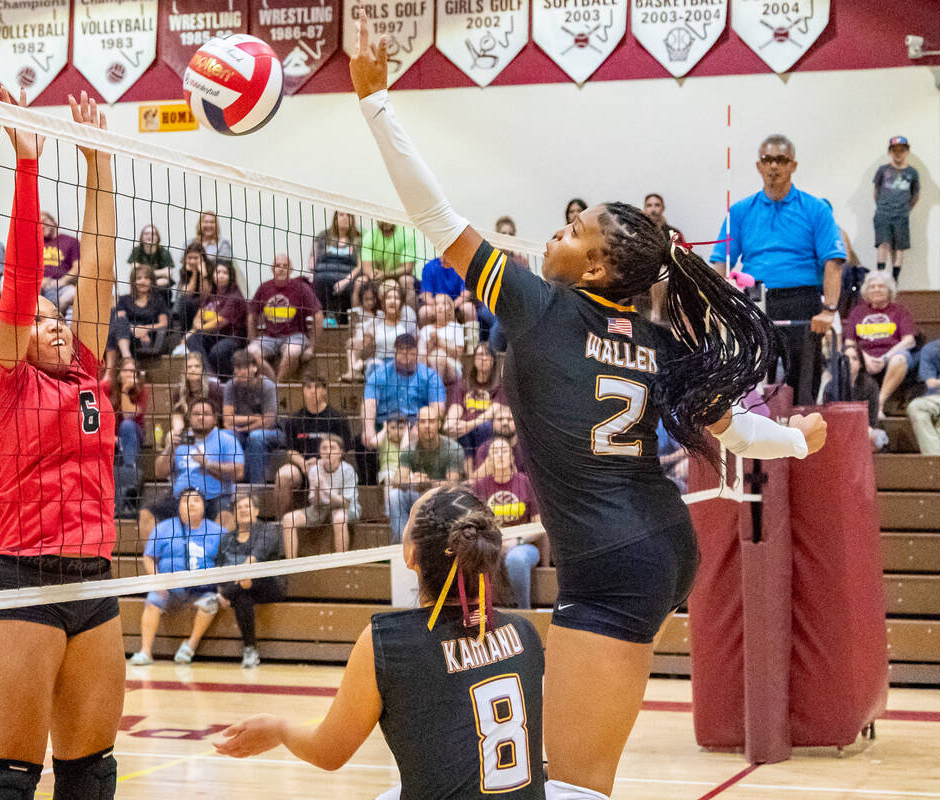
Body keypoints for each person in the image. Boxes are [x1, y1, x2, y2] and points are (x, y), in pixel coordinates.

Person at [349, 19, 827, 798]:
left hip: (612, 562)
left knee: (571, 785)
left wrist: (375, 101)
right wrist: (799, 442)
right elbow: (735, 429)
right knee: (560, 774)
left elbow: (436, 217)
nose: (559, 232)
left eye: (574, 230)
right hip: (655, 543)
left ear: (599, 265)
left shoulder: (538, 305)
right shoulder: (655, 338)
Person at [0, 93, 123, 798]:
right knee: (9, 783)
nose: (58, 325)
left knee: (91, 779)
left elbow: (99, 276)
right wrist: (28, 162)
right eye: (45, 320)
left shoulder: (87, 370)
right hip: (20, 578)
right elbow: (22, 286)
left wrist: (99, 164)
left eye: (64, 320)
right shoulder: (2, 380)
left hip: (92, 580)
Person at [217, 486, 546, 799]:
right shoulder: (525, 632)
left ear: (410, 554)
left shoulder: (387, 643)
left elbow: (328, 752)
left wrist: (279, 729)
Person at [709, 134, 847, 404]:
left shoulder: (815, 209)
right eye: (767, 160)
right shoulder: (739, 211)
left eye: (781, 160)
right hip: (755, 300)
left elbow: (834, 261)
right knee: (752, 381)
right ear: (759, 166)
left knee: (803, 386)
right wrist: (720, 303)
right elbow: (719, 261)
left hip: (802, 302)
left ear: (793, 165)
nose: (774, 166)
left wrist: (829, 309)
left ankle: (799, 439)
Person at [134, 488, 225, 666]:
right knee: (153, 600)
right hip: (169, 588)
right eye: (185, 500)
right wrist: (157, 580)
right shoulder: (163, 528)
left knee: (211, 602)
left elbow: (225, 563)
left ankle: (190, 646)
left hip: (203, 589)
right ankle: (145, 651)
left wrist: (222, 589)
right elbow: (149, 557)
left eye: (196, 500)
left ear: (204, 506)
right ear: (178, 505)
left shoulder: (217, 531)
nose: (191, 504)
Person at [470, 437, 545, 608]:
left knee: (517, 558)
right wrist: (495, 543)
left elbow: (539, 526)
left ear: (512, 457)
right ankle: (482, 612)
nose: (500, 455)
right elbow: (475, 526)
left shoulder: (526, 482)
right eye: (495, 452)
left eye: (504, 451)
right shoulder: (479, 486)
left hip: (524, 545)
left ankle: (524, 611)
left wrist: (516, 541)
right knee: (475, 558)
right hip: (491, 544)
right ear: (489, 459)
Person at [274, 371, 357, 517]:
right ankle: (281, 523)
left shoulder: (337, 419)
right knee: (283, 475)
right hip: (303, 468)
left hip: (329, 468)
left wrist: (320, 464)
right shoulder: (294, 419)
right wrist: (303, 464)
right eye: (308, 387)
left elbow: (344, 451)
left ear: (324, 390)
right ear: (303, 390)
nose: (313, 391)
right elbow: (290, 450)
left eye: (317, 387)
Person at [217, 493, 285, 668]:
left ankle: (226, 595)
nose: (243, 510)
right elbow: (219, 568)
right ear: (234, 514)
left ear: (256, 511)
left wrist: (225, 593)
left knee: (252, 578)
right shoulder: (227, 539)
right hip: (241, 589)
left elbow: (255, 558)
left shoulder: (268, 531)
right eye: (238, 508)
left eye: (247, 506)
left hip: (269, 586)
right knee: (242, 598)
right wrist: (220, 589)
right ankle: (250, 650)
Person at [153, 398, 245, 524]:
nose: (201, 417)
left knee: (225, 516)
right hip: (180, 498)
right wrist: (170, 449)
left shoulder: (226, 440)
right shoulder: (180, 439)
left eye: (206, 414)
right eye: (196, 414)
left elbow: (238, 472)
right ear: (189, 418)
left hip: (215, 498)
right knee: (148, 513)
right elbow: (159, 473)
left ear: (214, 418)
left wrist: (207, 464)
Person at [843, 271, 917, 418]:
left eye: (881, 286)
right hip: (864, 356)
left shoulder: (900, 311)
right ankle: (848, 408)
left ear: (889, 290)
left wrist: (885, 357)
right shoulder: (857, 312)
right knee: (847, 357)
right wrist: (864, 357)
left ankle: (879, 403)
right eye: (872, 287)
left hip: (892, 355)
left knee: (900, 358)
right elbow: (849, 342)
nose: (876, 289)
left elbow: (909, 340)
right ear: (866, 291)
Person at [386, 405, 462, 543]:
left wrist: (428, 482)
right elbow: (396, 480)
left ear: (439, 424)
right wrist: (414, 481)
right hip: (417, 494)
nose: (427, 426)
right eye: (422, 421)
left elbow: (453, 484)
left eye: (431, 421)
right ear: (416, 424)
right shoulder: (409, 450)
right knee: (394, 495)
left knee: (430, 495)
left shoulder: (453, 449)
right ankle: (402, 544)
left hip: (443, 498)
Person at [362, 333, 445, 453]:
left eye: (410, 350)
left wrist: (423, 426)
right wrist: (368, 428)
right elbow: (369, 403)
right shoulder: (379, 374)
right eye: (401, 349)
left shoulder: (430, 376)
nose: (405, 353)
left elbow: (437, 407)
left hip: (415, 422)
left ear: (416, 351)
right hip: (384, 422)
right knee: (364, 442)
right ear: (394, 351)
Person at [281, 434, 360, 558]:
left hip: (345, 507)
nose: (328, 451)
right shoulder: (315, 470)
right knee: (287, 519)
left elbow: (345, 503)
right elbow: (315, 504)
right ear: (320, 452)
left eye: (332, 448)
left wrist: (325, 488)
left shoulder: (348, 470)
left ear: (340, 453)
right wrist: (318, 490)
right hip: (321, 508)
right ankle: (291, 564)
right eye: (324, 448)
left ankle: (341, 562)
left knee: (339, 518)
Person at [247, 253, 321, 382]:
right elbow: (252, 314)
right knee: (251, 352)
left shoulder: (301, 288)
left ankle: (278, 387)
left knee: (292, 353)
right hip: (269, 337)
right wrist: (253, 338)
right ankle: (273, 383)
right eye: (277, 265)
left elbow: (318, 315)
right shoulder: (264, 288)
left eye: (285, 266)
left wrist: (312, 347)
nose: (281, 269)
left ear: (291, 270)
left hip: (295, 336)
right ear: (272, 269)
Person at [223, 350, 282, 484]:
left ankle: (257, 488)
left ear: (255, 368)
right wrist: (254, 418)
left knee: (255, 437)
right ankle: (227, 488)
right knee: (225, 435)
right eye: (238, 368)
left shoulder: (267, 386)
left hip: (274, 431)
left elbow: (268, 422)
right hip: (242, 430)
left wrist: (243, 427)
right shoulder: (231, 386)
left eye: (246, 367)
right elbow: (227, 419)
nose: (242, 371)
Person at [185, 259, 248, 379]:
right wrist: (196, 325)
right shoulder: (212, 293)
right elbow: (199, 314)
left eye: (225, 272)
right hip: (215, 334)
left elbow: (220, 322)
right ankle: (208, 374)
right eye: (218, 272)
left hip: (234, 337)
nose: (221, 275)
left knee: (217, 352)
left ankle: (227, 380)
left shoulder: (234, 295)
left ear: (231, 276)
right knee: (192, 339)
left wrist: (200, 327)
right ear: (213, 275)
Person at [103, 358, 148, 518]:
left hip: (133, 434)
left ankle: (130, 469)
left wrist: (125, 391)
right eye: (126, 371)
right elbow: (99, 416)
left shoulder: (142, 389)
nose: (129, 375)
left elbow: (129, 415)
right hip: (108, 434)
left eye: (133, 372)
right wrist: (109, 436)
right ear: (119, 373)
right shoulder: (105, 387)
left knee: (127, 425)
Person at [342, 281, 413, 382]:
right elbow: (359, 335)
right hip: (374, 358)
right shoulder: (370, 319)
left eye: (396, 298)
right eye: (388, 298)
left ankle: (359, 367)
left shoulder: (404, 321)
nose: (392, 301)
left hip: (396, 363)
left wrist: (364, 362)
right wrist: (358, 339)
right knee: (355, 347)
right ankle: (353, 372)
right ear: (382, 302)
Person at [873, 136, 921, 283]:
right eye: (895, 151)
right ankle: (880, 276)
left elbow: (915, 195)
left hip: (902, 215)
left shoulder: (912, 173)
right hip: (883, 214)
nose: (898, 154)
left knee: (899, 247)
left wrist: (905, 209)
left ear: (907, 152)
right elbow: (876, 191)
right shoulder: (883, 170)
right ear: (890, 152)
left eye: (902, 151)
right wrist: (882, 206)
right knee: (883, 244)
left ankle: (894, 280)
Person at [822, 346, 886, 451]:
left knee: (875, 437)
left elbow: (872, 420)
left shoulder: (870, 385)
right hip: (838, 433)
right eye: (846, 359)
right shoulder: (831, 386)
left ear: (861, 364)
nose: (850, 362)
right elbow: (829, 417)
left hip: (862, 430)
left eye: (854, 358)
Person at [444, 342, 500, 460]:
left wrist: (469, 425)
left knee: (483, 427)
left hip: (488, 428)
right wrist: (450, 423)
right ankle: (468, 474)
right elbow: (456, 406)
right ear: (474, 359)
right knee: (459, 430)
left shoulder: (499, 384)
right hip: (465, 428)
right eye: (479, 355)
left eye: (487, 355)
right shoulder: (464, 383)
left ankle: (480, 466)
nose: (483, 358)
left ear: (493, 360)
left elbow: (494, 410)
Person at [109, 263, 171, 362]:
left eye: (147, 277)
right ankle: (127, 357)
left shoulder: (158, 300)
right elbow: (119, 321)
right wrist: (134, 329)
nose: (143, 281)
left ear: (151, 281)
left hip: (150, 339)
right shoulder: (124, 300)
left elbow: (163, 323)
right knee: (115, 318)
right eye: (139, 278)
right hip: (127, 336)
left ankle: (126, 360)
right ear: (133, 281)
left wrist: (144, 329)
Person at [310, 211, 363, 319]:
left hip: (346, 277)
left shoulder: (358, 239)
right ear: (335, 218)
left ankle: (343, 322)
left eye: (349, 215)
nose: (345, 218)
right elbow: (313, 258)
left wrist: (346, 281)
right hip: (323, 276)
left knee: (351, 287)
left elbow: (360, 265)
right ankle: (321, 318)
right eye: (341, 215)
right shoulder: (323, 236)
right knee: (318, 282)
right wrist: (311, 273)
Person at [638, 194, 680, 325]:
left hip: (666, 274)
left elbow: (680, 257)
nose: (653, 209)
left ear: (663, 208)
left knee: (660, 271)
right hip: (641, 273)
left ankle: (656, 313)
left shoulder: (672, 233)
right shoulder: (637, 231)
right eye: (649, 205)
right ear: (644, 208)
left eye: (657, 205)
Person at [360, 220, 422, 307]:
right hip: (378, 277)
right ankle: (360, 317)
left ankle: (411, 317)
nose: (384, 221)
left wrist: (385, 274)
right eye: (381, 218)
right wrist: (373, 275)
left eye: (387, 218)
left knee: (406, 280)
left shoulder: (406, 234)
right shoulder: (369, 236)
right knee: (360, 281)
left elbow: (407, 268)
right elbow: (367, 268)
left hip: (399, 276)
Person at [169, 351, 223, 444]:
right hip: (190, 433)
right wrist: (179, 432)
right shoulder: (179, 391)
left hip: (212, 432)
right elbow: (177, 417)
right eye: (189, 367)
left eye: (197, 366)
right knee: (171, 437)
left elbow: (216, 419)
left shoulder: (214, 389)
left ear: (202, 369)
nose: (193, 369)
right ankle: (183, 457)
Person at [417, 294, 464, 383]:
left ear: (450, 309)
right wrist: (431, 344)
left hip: (452, 367)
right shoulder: (425, 329)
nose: (440, 307)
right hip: (429, 366)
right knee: (435, 356)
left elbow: (458, 353)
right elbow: (421, 357)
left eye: (444, 304)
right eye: (436, 304)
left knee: (439, 356)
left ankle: (436, 390)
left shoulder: (456, 327)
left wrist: (440, 341)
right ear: (433, 309)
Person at [171, 241, 213, 334]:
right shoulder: (184, 270)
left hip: (209, 300)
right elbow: (188, 292)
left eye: (196, 258)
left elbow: (205, 294)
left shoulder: (210, 267)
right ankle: (185, 332)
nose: (192, 261)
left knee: (195, 302)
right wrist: (194, 272)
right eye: (190, 258)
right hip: (192, 299)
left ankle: (194, 332)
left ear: (202, 258)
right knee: (185, 300)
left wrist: (203, 274)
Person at [907, 340, 940, 455]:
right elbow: (930, 383)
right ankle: (935, 461)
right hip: (936, 398)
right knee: (916, 407)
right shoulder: (932, 349)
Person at [127, 224, 177, 300]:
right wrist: (155, 274)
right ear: (142, 237)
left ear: (157, 237)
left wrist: (148, 274)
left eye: (153, 234)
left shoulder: (164, 252)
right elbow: (134, 268)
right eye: (146, 234)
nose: (149, 236)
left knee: (163, 285)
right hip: (142, 281)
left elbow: (169, 272)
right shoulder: (137, 250)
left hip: (159, 284)